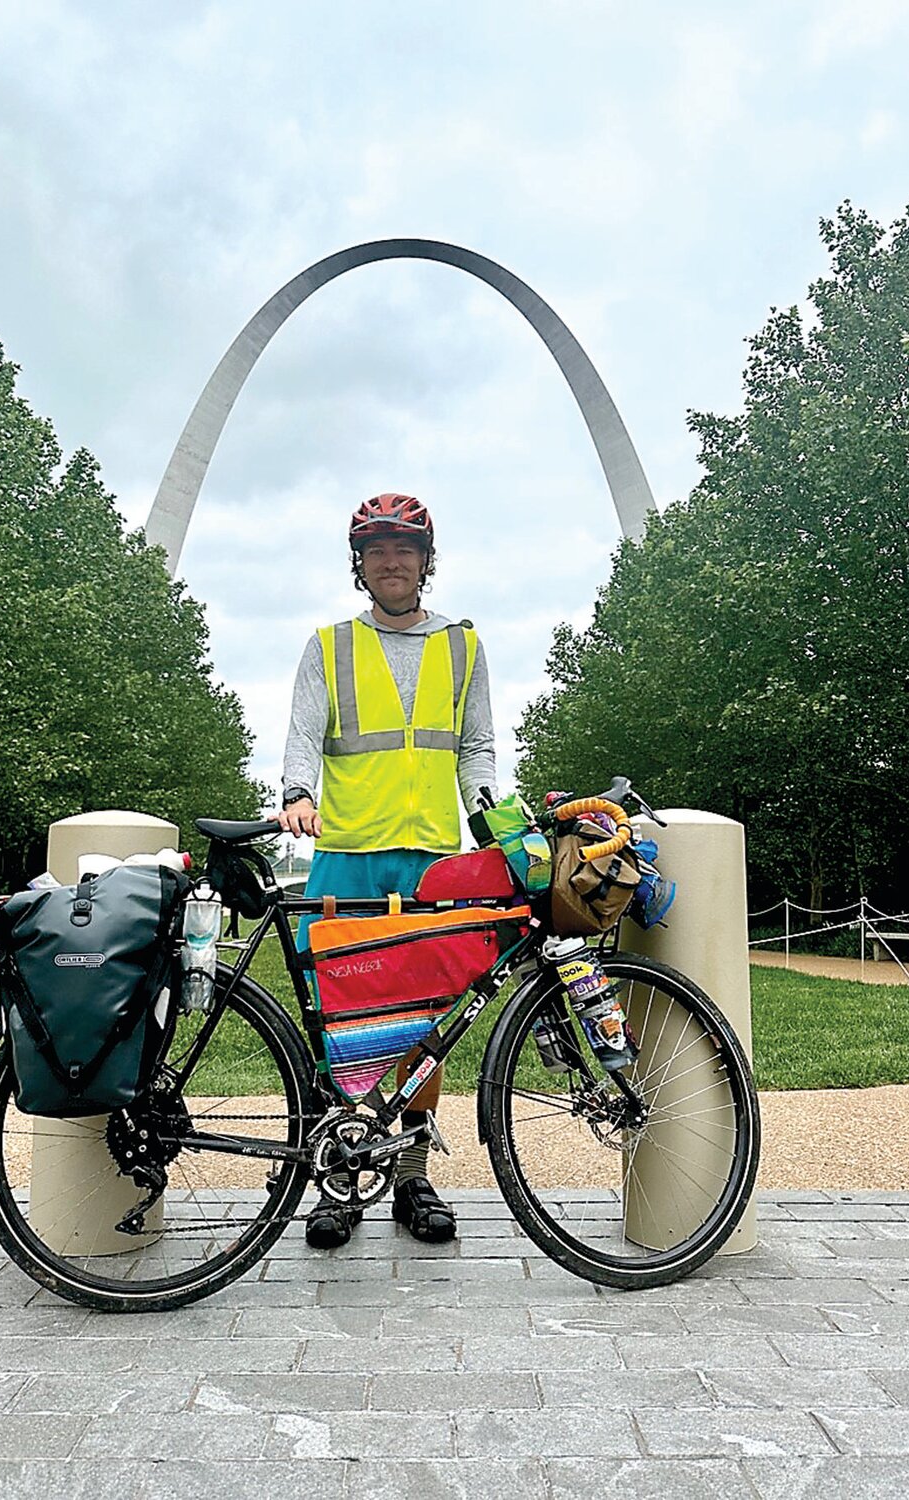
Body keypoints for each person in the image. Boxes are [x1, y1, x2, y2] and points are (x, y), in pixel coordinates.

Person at [277, 492, 497, 1249]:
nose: (391, 561)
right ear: (359, 565)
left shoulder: (463, 646)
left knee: (424, 1028)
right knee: (340, 1024)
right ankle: (338, 1176)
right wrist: (297, 792)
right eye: (376, 550)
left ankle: (409, 1173)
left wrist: (490, 815)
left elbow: (476, 747)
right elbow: (303, 732)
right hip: (346, 857)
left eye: (404, 549)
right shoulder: (329, 644)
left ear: (426, 562)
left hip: (433, 858)